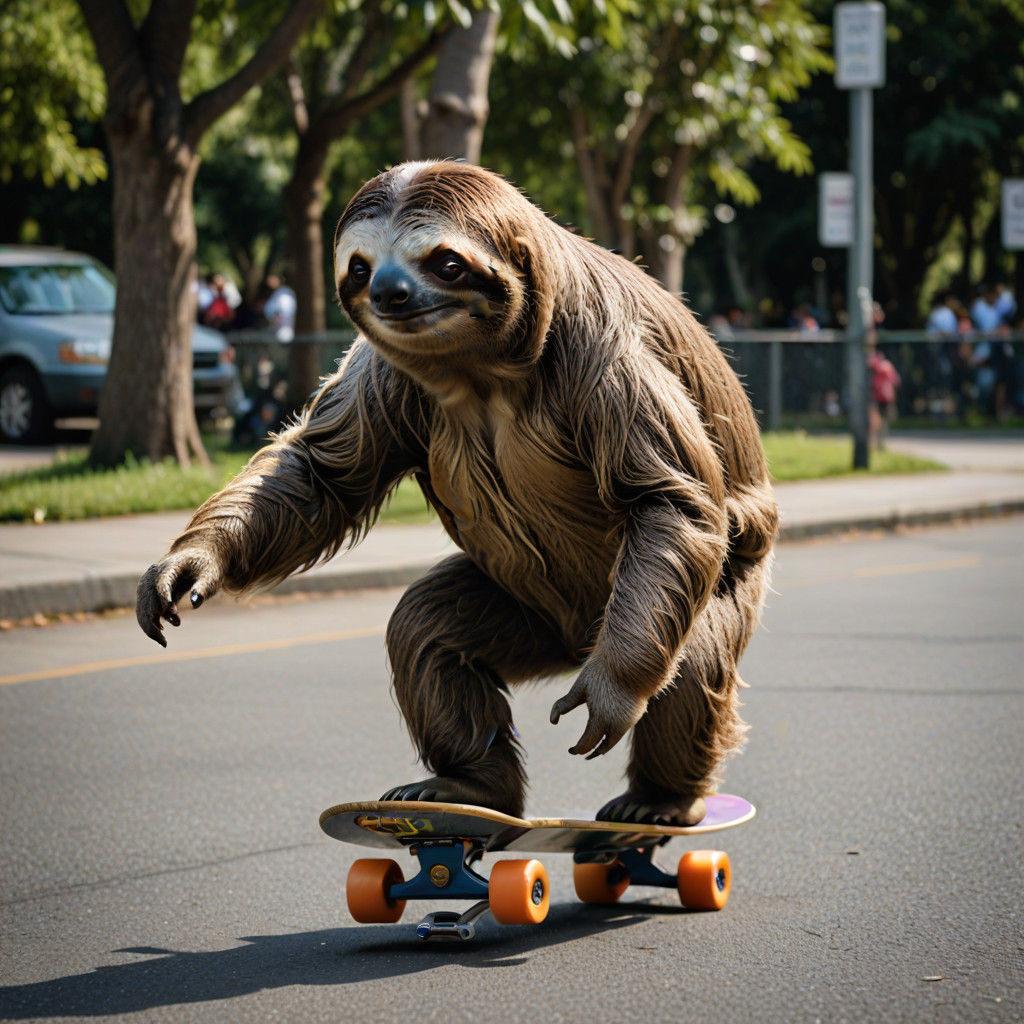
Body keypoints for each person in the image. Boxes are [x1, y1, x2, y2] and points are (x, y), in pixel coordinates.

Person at [867, 345, 900, 451]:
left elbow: (895, 380)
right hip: (879, 397)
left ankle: (879, 443)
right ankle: (877, 443)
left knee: (880, 421)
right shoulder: (883, 365)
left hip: (883, 398)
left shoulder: (883, 366)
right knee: (877, 421)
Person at [263, 274, 297, 342]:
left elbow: (285, 310)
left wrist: (278, 317)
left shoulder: (284, 293)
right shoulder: (275, 293)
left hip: (283, 327)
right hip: (274, 327)